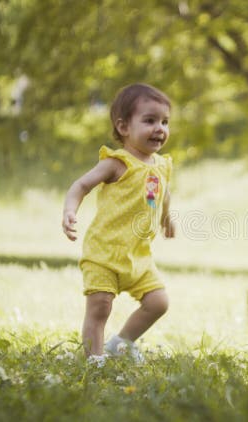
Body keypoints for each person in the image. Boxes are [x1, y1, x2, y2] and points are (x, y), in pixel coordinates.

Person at [62, 83, 176, 364]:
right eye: (149, 121)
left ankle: (121, 343)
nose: (159, 128)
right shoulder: (117, 163)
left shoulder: (161, 165)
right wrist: (69, 209)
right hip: (105, 253)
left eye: (164, 121)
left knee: (158, 303)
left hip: (139, 257)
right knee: (100, 308)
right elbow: (81, 185)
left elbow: (163, 193)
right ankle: (95, 361)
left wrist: (166, 218)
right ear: (124, 127)